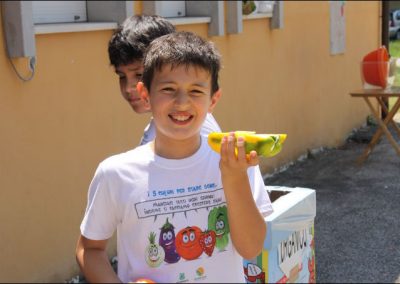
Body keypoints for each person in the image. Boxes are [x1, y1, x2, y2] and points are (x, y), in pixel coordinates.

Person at [76, 31, 273, 283]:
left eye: (195, 91)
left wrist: (234, 178)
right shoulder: (115, 173)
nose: (182, 102)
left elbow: (252, 248)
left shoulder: (235, 161)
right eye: (168, 89)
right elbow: (89, 249)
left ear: (213, 100)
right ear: (145, 94)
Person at [107, 15, 221, 146]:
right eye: (122, 76)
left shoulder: (194, 130)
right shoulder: (165, 127)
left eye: (139, 74)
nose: (128, 87)